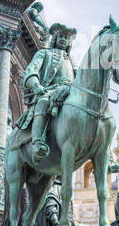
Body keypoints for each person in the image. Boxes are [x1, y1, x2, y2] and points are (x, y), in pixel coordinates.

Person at [16, 23, 78, 164]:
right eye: (61, 36)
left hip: (71, 92)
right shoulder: (44, 53)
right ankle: (38, 142)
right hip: (49, 91)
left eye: (66, 37)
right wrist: (36, 86)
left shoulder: (72, 60)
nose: (63, 39)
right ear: (55, 38)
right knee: (43, 102)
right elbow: (31, 71)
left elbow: (79, 76)